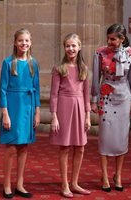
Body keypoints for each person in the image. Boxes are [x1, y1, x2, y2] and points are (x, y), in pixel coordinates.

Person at [91, 23, 131, 192]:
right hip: (106, 97)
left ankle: (118, 175)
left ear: (121, 39)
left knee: (121, 138)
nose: (109, 41)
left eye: (113, 39)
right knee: (105, 137)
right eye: (108, 38)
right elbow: (96, 77)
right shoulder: (99, 52)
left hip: (124, 97)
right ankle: (104, 175)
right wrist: (94, 99)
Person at [0, 28, 40, 199]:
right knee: (11, 148)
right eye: (21, 40)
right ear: (15, 42)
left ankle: (20, 184)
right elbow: (2, 90)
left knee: (24, 147)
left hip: (28, 107)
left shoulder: (33, 63)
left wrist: (37, 113)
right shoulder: (8, 62)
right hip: (13, 107)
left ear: (31, 43)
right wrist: (5, 114)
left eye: (27, 41)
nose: (24, 43)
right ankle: (7, 184)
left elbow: (36, 89)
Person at [49, 33, 91, 198]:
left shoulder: (84, 69)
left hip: (80, 108)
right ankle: (65, 184)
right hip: (64, 108)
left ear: (79, 47)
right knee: (65, 147)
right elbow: (53, 94)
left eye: (74, 45)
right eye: (68, 46)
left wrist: (87, 116)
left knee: (80, 147)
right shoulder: (59, 68)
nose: (71, 49)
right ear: (64, 47)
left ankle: (75, 182)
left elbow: (86, 94)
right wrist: (54, 116)